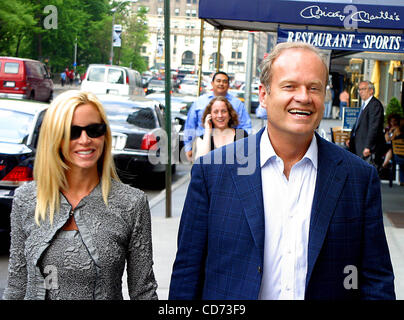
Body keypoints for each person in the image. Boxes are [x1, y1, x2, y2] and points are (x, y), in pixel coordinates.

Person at [169, 42, 395, 300]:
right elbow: (188, 273)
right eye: (289, 86)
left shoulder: (358, 178)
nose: (303, 97)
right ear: (263, 95)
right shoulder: (213, 172)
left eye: (314, 88)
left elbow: (376, 280)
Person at [3, 90, 158, 300]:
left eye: (94, 130)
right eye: (73, 132)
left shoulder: (131, 203)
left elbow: (143, 292)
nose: (85, 140)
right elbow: (16, 287)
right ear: (55, 137)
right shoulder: (26, 200)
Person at [183, 71, 252, 161]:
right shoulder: (200, 102)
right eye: (218, 81)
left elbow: (245, 126)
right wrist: (188, 147)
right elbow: (190, 125)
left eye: (224, 81)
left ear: (228, 85)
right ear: (212, 83)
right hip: (203, 145)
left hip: (231, 148)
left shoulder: (237, 104)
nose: (221, 84)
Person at [346, 81, 385, 168]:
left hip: (367, 148)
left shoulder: (375, 105)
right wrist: (351, 138)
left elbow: (373, 127)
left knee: (367, 174)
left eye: (363, 89)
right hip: (358, 145)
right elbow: (359, 124)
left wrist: (368, 146)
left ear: (371, 91)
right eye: (359, 90)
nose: (360, 92)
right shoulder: (365, 105)